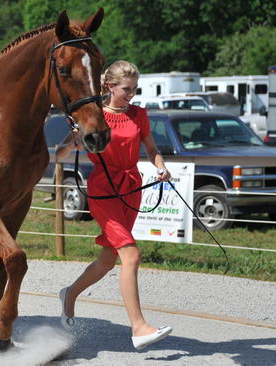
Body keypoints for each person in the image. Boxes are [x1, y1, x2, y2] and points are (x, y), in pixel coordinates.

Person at [56, 60, 173, 351]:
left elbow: (152, 149)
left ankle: (69, 295)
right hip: (103, 191)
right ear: (109, 86)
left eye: (135, 88)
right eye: (126, 88)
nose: (132, 93)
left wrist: (160, 167)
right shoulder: (94, 116)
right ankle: (139, 327)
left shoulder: (139, 115)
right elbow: (59, 155)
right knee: (130, 255)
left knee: (109, 259)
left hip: (132, 188)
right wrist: (73, 141)